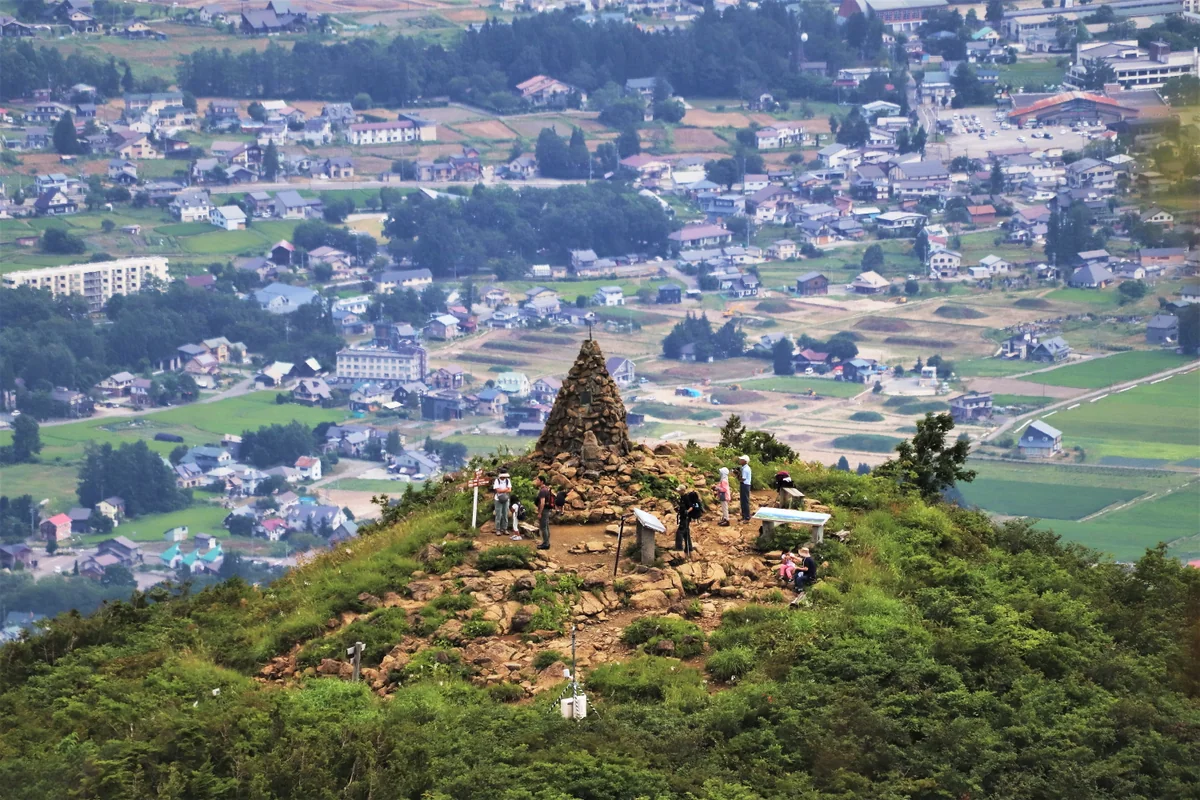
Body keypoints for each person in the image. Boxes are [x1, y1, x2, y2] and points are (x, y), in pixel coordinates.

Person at [675, 484, 702, 556]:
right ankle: (689, 548)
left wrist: (686, 512)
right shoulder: (682, 497)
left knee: (679, 532)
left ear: (683, 491)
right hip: (684, 517)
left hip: (686, 518)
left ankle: (679, 548)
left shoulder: (686, 497)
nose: (678, 492)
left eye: (679, 491)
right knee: (686, 532)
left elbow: (691, 507)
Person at [535, 474, 553, 550]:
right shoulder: (546, 489)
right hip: (547, 509)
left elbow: (542, 503)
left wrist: (539, 513)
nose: (536, 481)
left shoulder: (542, 491)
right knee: (546, 526)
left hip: (544, 510)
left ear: (541, 482)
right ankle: (546, 542)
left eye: (537, 480)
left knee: (543, 527)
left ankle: (546, 543)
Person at [492, 470, 512, 535]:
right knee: (498, 515)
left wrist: (502, 490)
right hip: (498, 499)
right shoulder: (497, 481)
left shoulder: (507, 480)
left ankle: (504, 529)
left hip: (506, 499)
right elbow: (498, 490)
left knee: (505, 514)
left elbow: (509, 490)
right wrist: (506, 489)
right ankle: (498, 529)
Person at [738, 455, 752, 522]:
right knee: (743, 501)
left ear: (745, 461)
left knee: (745, 501)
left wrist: (737, 476)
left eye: (741, 459)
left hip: (745, 485)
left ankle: (747, 517)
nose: (740, 460)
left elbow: (743, 479)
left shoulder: (746, 469)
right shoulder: (744, 468)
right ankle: (744, 516)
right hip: (745, 485)